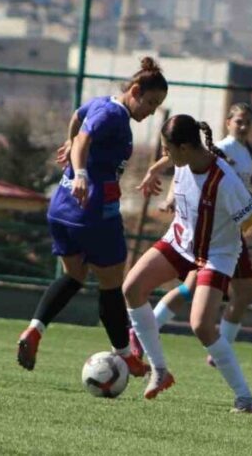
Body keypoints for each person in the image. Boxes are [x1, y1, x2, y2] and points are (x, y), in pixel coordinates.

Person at [123, 114, 252, 414]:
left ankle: (245, 398)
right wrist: (152, 172)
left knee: (201, 324)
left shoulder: (225, 182)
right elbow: (166, 161)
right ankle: (159, 370)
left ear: (186, 148)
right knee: (132, 288)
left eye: (168, 148)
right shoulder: (183, 161)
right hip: (180, 241)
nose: (166, 154)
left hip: (217, 253)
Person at [16, 57, 168, 377]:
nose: (152, 111)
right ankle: (125, 354)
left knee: (74, 275)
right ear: (136, 90)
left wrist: (70, 143)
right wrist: (82, 169)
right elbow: (85, 138)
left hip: (61, 207)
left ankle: (35, 329)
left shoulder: (102, 103)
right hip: (94, 209)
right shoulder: (115, 115)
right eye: (151, 102)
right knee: (112, 285)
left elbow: (77, 119)